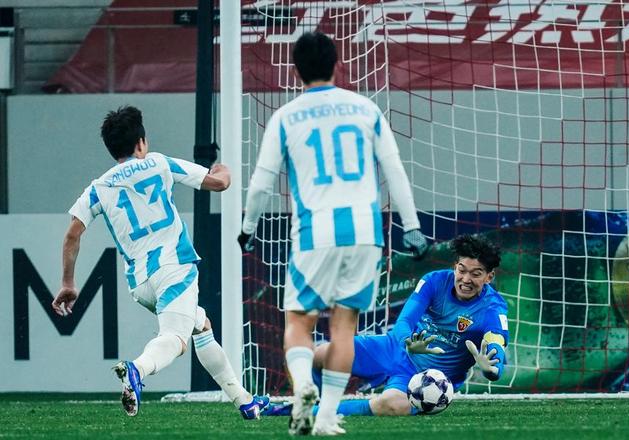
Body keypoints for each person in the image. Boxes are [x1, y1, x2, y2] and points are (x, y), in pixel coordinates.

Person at [238, 32, 428, 435]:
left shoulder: (286, 116)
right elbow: (394, 170)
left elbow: (260, 183)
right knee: (344, 328)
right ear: (337, 64)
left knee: (299, 321)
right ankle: (326, 418)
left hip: (316, 233)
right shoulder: (365, 108)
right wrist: (412, 226)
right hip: (365, 233)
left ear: (296, 69)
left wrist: (247, 228)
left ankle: (303, 386)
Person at [51, 106, 269, 419]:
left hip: (140, 283)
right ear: (141, 143)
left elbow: (72, 234)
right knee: (176, 339)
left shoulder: (99, 187)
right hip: (174, 268)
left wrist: (68, 283)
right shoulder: (159, 163)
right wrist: (225, 170)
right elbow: (218, 183)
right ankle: (137, 370)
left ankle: (245, 401)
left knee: (200, 325)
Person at [264, 233, 508, 417]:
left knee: (393, 404)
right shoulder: (435, 281)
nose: (465, 279)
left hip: (426, 379)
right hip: (394, 348)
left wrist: (491, 369)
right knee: (318, 354)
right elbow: (405, 321)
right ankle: (309, 401)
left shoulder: (493, 309)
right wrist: (408, 342)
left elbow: (495, 348)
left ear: (489, 276)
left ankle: (300, 412)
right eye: (461, 270)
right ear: (455, 266)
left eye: (476, 274)